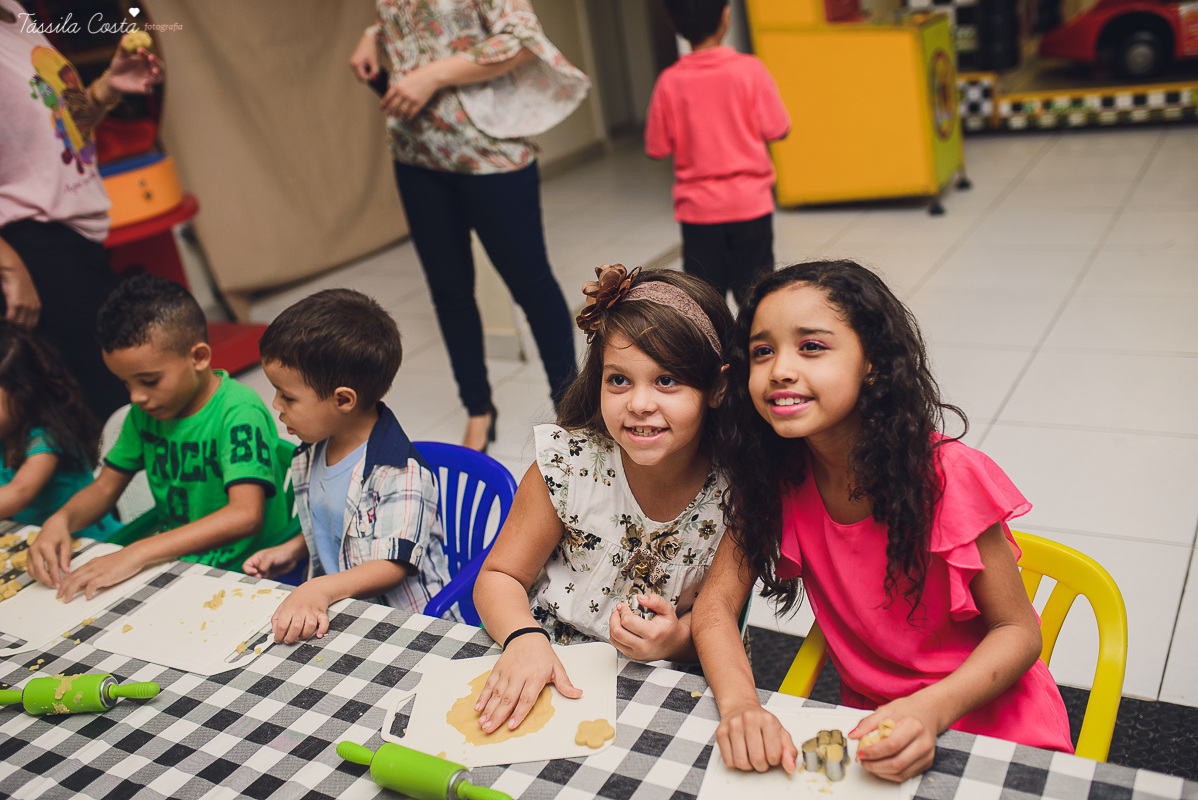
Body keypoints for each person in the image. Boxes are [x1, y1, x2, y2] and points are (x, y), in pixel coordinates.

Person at [692, 261, 1074, 782]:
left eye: (811, 347)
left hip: (994, 722)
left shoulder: (948, 477)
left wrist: (932, 711)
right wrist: (739, 705)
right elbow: (714, 608)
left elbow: (1019, 632)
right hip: (871, 732)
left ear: (871, 361)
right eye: (763, 351)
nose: (780, 368)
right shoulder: (773, 482)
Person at [472, 265, 734, 735]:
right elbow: (499, 575)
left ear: (717, 387)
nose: (638, 403)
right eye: (619, 380)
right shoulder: (568, 464)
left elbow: (720, 624)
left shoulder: (737, 496)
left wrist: (674, 639)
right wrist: (524, 638)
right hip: (541, 663)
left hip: (660, 692)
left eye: (667, 380)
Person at [349, 0, 590, 451]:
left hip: (491, 152)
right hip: (414, 151)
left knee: (531, 285)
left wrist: (432, 75)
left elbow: (521, 40)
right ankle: (478, 409)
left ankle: (570, 411)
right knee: (449, 289)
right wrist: (374, 32)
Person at [27, 275, 292, 602]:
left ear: (199, 357)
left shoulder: (238, 411)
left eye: (149, 381)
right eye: (125, 383)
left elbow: (245, 516)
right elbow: (104, 488)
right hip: (176, 567)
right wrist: (60, 520)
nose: (137, 397)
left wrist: (136, 553)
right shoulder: (145, 414)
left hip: (246, 575)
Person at [243, 289, 456, 643]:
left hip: (406, 629)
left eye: (289, 396)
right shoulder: (313, 451)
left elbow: (391, 566)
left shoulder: (399, 472)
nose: (276, 405)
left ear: (343, 399)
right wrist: (291, 550)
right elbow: (339, 524)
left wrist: (319, 589)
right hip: (340, 615)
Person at [1, 5, 163, 420]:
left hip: (73, 235)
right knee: (117, 408)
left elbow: (66, 121)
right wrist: (10, 265)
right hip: (30, 243)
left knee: (126, 399)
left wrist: (110, 86)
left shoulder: (15, 12)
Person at [646, 0, 790, 305]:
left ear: (675, 24)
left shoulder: (669, 81)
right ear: (726, 16)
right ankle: (753, 352)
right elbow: (778, 128)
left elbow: (656, 148)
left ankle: (714, 353)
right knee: (756, 300)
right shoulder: (750, 70)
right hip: (750, 206)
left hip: (698, 212)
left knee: (704, 303)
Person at [0, 322, 117, 539]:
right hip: (38, 545)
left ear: (23, 396)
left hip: (92, 545)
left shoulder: (46, 437)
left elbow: (20, 492)